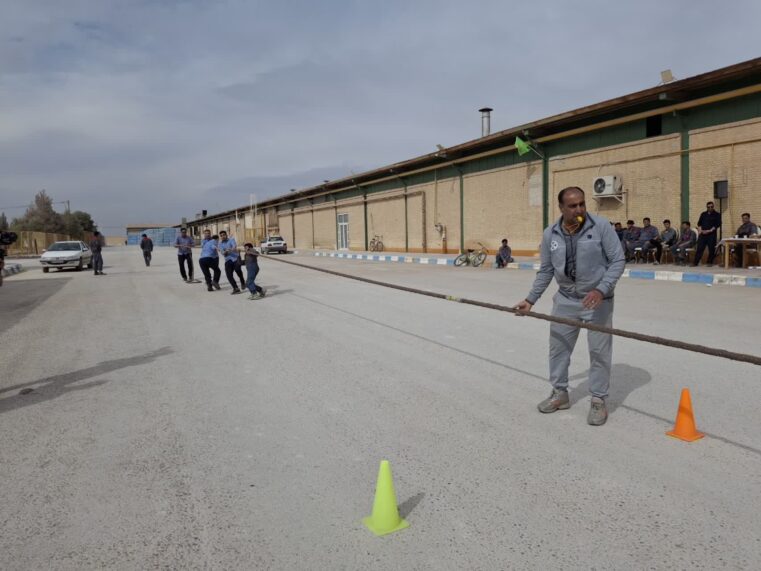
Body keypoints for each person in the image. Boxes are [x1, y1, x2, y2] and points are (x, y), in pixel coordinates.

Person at [513, 186, 625, 426]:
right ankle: (559, 394)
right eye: (573, 206)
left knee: (599, 352)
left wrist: (601, 289)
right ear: (561, 208)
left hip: (597, 301)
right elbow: (546, 270)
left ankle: (598, 399)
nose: (579, 209)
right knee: (558, 349)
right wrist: (531, 299)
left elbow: (618, 260)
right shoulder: (551, 234)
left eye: (582, 204)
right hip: (565, 299)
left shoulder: (601, 227)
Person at [692, 201, 721, 266]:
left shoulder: (717, 214)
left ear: (713, 207)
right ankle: (695, 262)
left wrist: (709, 230)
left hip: (711, 234)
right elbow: (699, 223)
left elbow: (718, 224)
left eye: (711, 207)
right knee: (699, 248)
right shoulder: (703, 214)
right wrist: (700, 230)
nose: (710, 208)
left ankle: (709, 262)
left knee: (711, 249)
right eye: (709, 207)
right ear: (707, 207)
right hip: (703, 234)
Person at [219, 230, 245, 294]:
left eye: (224, 235)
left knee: (238, 271)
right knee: (229, 275)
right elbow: (223, 253)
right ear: (220, 237)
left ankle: (242, 281)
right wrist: (225, 252)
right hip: (228, 260)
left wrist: (228, 250)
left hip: (236, 258)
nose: (223, 236)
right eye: (221, 236)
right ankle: (236, 288)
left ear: (226, 235)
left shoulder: (231, 240)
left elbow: (234, 247)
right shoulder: (220, 244)